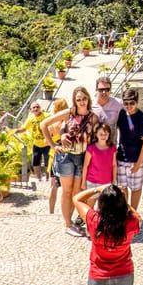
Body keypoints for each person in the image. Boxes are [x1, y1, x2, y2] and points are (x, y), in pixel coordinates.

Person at [43, 86, 98, 236]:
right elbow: (44, 124)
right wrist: (54, 145)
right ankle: (67, 225)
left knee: (76, 191)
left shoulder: (93, 117)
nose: (81, 102)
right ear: (74, 100)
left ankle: (71, 222)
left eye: (84, 98)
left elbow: (96, 140)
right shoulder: (69, 113)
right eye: (78, 99)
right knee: (66, 192)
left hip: (82, 157)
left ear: (88, 99)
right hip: (66, 157)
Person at [72, 184, 141, 285]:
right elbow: (138, 217)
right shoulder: (131, 222)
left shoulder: (94, 220)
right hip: (123, 273)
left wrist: (97, 189)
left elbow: (77, 199)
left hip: (98, 274)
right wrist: (123, 200)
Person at [116, 88, 143, 210]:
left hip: (137, 159)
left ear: (137, 102)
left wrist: (138, 163)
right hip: (121, 157)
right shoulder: (121, 115)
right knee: (122, 188)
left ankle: (133, 213)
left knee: (136, 188)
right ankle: (126, 212)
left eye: (132, 103)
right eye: (126, 103)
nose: (129, 106)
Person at [15, 100, 50, 181]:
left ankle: (48, 179)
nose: (36, 108)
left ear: (40, 108)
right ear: (31, 110)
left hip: (47, 144)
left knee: (48, 163)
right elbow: (24, 128)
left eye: (37, 107)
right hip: (36, 144)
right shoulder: (30, 118)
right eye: (34, 107)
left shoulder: (47, 115)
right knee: (35, 163)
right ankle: (39, 179)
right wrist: (15, 131)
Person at [46, 98, 69, 214]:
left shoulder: (51, 124)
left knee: (53, 186)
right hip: (67, 155)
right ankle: (65, 211)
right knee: (66, 189)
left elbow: (46, 141)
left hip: (53, 155)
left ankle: (51, 211)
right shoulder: (67, 122)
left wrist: (53, 144)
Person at [82, 123, 117, 190]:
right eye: (101, 134)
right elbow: (85, 166)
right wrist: (83, 182)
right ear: (96, 134)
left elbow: (114, 165)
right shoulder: (91, 148)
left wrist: (114, 180)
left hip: (107, 183)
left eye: (106, 134)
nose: (103, 136)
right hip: (92, 183)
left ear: (109, 135)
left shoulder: (112, 148)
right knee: (91, 200)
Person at [94, 77, 123, 145]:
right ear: (96, 90)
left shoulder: (118, 104)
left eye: (107, 89)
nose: (104, 92)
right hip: (94, 149)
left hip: (111, 148)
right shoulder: (90, 105)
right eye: (101, 89)